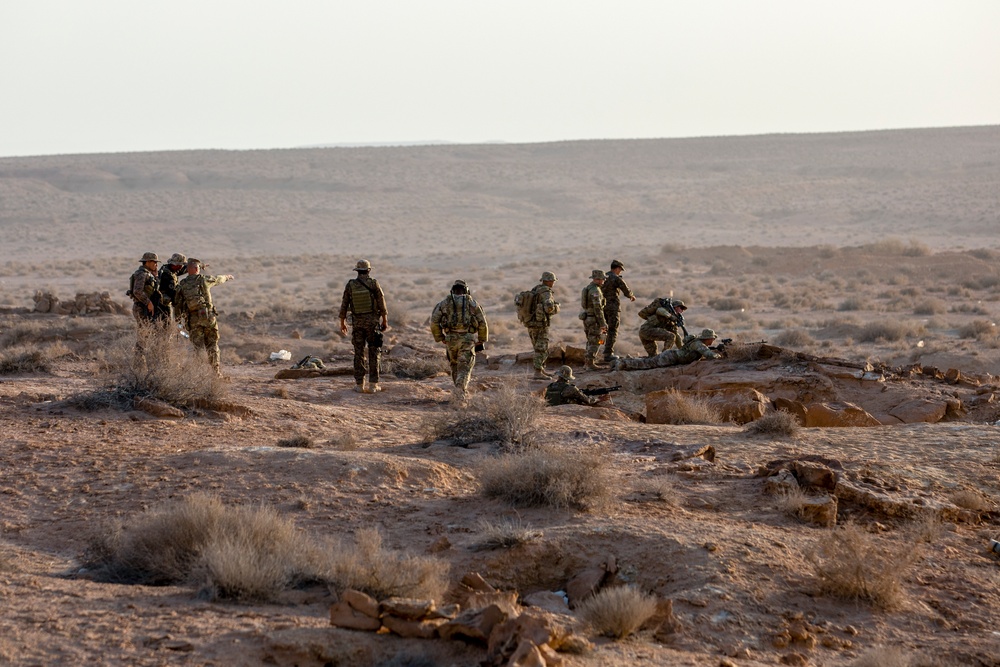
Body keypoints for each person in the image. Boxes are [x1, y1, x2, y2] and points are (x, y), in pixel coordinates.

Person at [430, 279, 488, 404]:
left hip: (450, 340)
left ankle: (458, 391)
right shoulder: (472, 303)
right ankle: (459, 394)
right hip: (467, 340)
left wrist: (440, 338)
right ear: (466, 290)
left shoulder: (444, 303)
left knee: (455, 365)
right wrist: (482, 339)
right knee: (465, 368)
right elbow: (482, 323)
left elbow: (434, 322)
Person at [174, 258, 234, 376]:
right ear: (197, 269)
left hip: (193, 320)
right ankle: (215, 373)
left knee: (198, 347)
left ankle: (199, 374)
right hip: (208, 318)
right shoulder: (204, 280)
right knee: (212, 344)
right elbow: (218, 279)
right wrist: (227, 276)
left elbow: (178, 305)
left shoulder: (182, 284)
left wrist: (178, 322)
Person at [339, 259, 389, 393]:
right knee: (374, 352)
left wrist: (342, 322)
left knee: (358, 353)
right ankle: (373, 384)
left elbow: (344, 304)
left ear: (357, 271)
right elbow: (381, 303)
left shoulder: (350, 285)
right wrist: (384, 320)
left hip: (357, 323)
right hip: (372, 323)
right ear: (368, 270)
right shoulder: (373, 284)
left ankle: (359, 384)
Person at [613, 328, 722, 371]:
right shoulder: (698, 344)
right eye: (712, 339)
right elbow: (708, 354)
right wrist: (719, 356)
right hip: (671, 357)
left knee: (649, 361)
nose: (712, 341)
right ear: (707, 338)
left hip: (672, 356)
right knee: (648, 364)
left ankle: (628, 360)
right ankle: (623, 363)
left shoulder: (699, 343)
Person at [525, 271, 561, 379]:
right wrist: (557, 307)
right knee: (542, 348)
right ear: (549, 281)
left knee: (537, 346)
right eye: (553, 281)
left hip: (531, 322)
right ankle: (537, 373)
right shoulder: (546, 292)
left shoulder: (536, 289)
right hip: (540, 324)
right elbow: (549, 308)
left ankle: (541, 369)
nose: (553, 283)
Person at [600, 259, 636, 362]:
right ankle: (607, 353)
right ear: (617, 268)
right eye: (620, 270)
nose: (620, 272)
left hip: (601, 308)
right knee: (612, 330)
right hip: (612, 308)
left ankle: (598, 351)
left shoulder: (602, 277)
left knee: (603, 330)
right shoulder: (615, 278)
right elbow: (625, 290)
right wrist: (631, 296)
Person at [581, 269, 609, 370]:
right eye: (603, 279)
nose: (604, 281)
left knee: (590, 340)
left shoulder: (589, 288)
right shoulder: (595, 291)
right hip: (594, 320)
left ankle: (587, 363)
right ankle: (590, 364)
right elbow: (598, 309)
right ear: (598, 279)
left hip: (588, 319)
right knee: (596, 341)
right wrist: (603, 323)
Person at [128, 252, 161, 325]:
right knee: (144, 332)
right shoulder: (142, 274)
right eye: (154, 262)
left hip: (146, 307)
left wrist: (156, 277)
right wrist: (148, 303)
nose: (156, 265)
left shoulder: (149, 274)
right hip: (142, 307)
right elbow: (137, 291)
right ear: (148, 262)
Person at [158, 252, 187, 325]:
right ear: (176, 265)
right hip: (163, 305)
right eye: (181, 265)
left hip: (161, 303)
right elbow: (173, 293)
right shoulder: (168, 276)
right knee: (166, 324)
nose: (181, 267)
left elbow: (181, 270)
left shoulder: (167, 268)